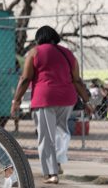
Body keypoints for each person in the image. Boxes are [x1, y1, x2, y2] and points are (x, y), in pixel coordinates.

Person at [10, 26, 93, 184]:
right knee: (61, 131)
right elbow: (77, 80)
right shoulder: (68, 53)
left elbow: (25, 78)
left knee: (46, 137)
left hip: (45, 98)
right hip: (67, 99)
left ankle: (51, 173)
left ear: (39, 38)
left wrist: (16, 101)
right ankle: (59, 161)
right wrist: (87, 101)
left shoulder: (35, 52)